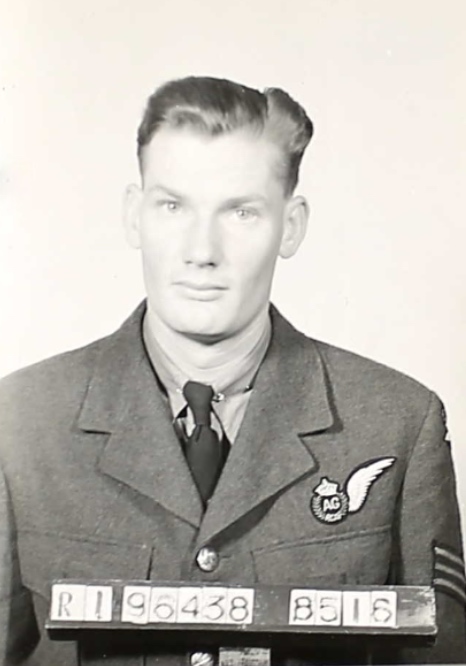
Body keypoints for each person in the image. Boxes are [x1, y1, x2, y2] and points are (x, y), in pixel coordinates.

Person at [0, 76, 464, 665]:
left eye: (241, 212)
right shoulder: (19, 423)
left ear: (290, 226)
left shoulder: (397, 424)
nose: (202, 251)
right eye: (173, 206)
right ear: (134, 216)